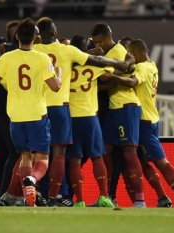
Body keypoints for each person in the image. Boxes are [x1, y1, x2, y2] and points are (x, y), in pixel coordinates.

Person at [32, 17, 127, 207]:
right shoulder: (72, 55)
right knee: (94, 156)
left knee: (51, 156)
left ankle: (77, 200)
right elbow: (106, 69)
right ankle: (103, 196)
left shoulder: (34, 52)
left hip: (47, 110)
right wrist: (120, 63)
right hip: (85, 115)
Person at [100, 39, 174, 208]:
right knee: (143, 163)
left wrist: (113, 76)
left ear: (136, 53)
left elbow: (131, 81)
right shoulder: (153, 66)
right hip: (151, 117)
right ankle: (162, 197)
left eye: (131, 54)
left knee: (160, 162)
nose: (130, 56)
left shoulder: (142, 67)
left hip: (143, 121)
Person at [0, 18, 62, 207]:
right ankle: (33, 180)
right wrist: (58, 74)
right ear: (36, 38)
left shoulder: (7, 58)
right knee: (42, 157)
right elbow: (55, 87)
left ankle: (28, 195)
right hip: (37, 115)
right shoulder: (43, 58)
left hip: (16, 117)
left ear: (17, 36)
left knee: (25, 156)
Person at [91, 22, 146, 207]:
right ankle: (106, 197)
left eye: (101, 41)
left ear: (109, 37)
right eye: (95, 42)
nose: (98, 45)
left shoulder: (116, 52)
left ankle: (140, 201)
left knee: (130, 154)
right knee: (104, 152)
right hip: (115, 108)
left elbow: (109, 76)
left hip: (127, 106)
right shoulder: (108, 53)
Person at [0, 20, 20, 206]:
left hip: (12, 111)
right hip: (2, 112)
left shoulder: (17, 53)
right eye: (13, 32)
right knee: (13, 152)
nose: (15, 34)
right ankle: (2, 196)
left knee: (3, 155)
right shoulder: (4, 50)